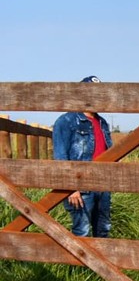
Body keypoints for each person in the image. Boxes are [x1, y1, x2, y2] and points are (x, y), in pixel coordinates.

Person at [52, 76, 113, 238]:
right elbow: (60, 157)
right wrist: (71, 188)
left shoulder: (102, 123)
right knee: (82, 232)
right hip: (81, 187)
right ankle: (78, 265)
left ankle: (100, 264)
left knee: (103, 229)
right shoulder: (66, 121)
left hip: (103, 184)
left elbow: (109, 153)